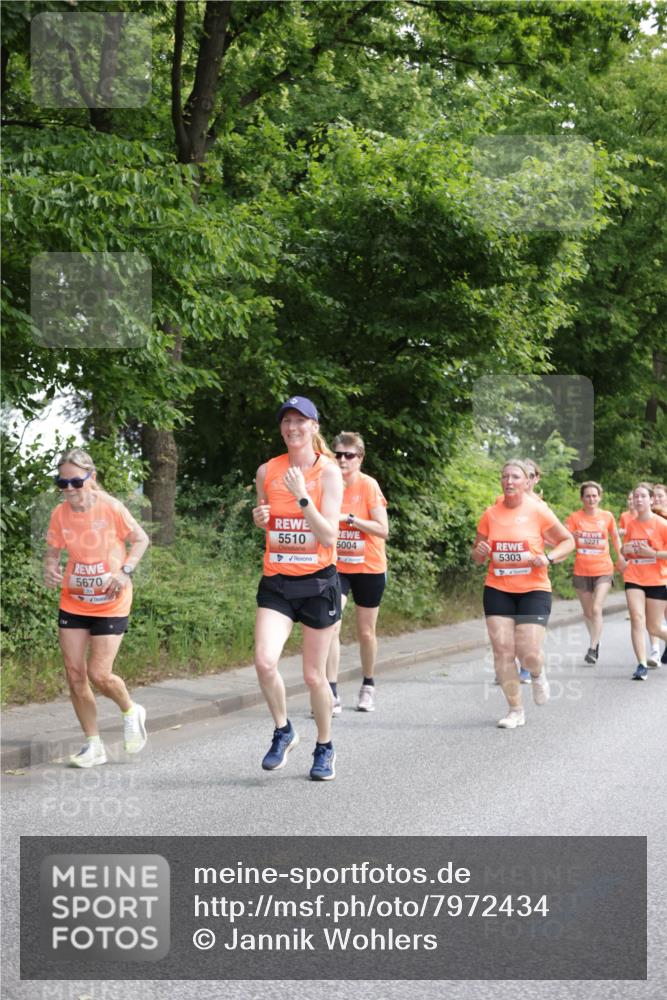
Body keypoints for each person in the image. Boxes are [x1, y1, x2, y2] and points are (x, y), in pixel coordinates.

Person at [252, 396, 343, 781]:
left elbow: (328, 535)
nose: (292, 428)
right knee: (264, 661)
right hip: (277, 581)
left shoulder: (329, 474)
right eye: (287, 422)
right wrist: (260, 518)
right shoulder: (267, 471)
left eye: (300, 422)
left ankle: (324, 747)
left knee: (313, 677)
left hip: (318, 583)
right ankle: (283, 729)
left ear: (314, 427)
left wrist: (303, 496)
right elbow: (266, 521)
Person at [44, 448, 150, 767]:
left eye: (76, 481)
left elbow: (141, 539)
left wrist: (124, 571)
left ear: (92, 478)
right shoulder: (59, 514)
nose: (69, 489)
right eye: (62, 483)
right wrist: (50, 567)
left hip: (111, 602)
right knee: (75, 674)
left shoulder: (111, 508)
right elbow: (52, 551)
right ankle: (94, 745)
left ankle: (131, 710)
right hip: (74, 599)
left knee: (99, 674)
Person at [472, 460, 574, 729]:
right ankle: (515, 710)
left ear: (527, 482)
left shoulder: (538, 511)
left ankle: (537, 673)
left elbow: (568, 541)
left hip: (533, 589)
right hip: (497, 587)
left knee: (528, 652)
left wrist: (547, 558)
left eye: (515, 477)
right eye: (505, 476)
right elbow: (477, 555)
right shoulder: (490, 514)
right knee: (502, 651)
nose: (509, 481)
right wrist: (480, 553)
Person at [324, 432, 389, 714]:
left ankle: (368, 685)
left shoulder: (368, 486)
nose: (342, 460)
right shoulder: (328, 483)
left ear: (360, 459)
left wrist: (350, 519)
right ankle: (331, 692)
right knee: (332, 625)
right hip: (338, 566)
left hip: (369, 566)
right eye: (337, 454)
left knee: (365, 632)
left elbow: (383, 529)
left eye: (349, 455)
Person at [565, 481, 625, 664]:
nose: (591, 499)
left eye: (594, 495)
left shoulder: (607, 516)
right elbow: (563, 539)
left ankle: (592, 648)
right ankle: (596, 641)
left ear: (600, 497)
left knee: (597, 608)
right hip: (582, 570)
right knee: (588, 612)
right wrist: (570, 537)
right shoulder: (575, 518)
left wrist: (621, 557)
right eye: (587, 496)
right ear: (582, 498)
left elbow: (615, 537)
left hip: (603, 569)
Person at [622, 482, 667, 680]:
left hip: (657, 579)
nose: (638, 500)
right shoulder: (631, 524)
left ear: (650, 500)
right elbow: (625, 551)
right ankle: (641, 664)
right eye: (636, 496)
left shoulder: (662, 524)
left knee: (654, 627)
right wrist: (626, 550)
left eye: (642, 496)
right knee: (637, 618)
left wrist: (654, 553)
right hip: (634, 577)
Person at [647, 483, 667, 666]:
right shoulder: (647, 518)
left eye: (661, 496)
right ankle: (654, 651)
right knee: (652, 616)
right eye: (655, 496)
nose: (658, 499)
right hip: (653, 574)